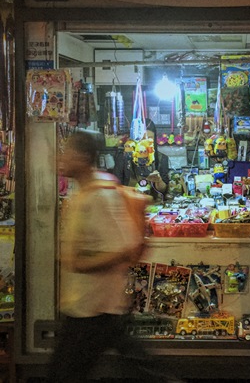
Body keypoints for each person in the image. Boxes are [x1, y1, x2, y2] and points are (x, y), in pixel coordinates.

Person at [48, 130, 148, 382]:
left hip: (94, 308)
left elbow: (124, 249)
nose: (61, 158)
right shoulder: (85, 192)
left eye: (67, 152)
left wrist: (81, 264)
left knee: (63, 374)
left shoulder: (100, 196)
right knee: (139, 365)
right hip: (89, 306)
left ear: (83, 157)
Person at [113, 118, 170, 201]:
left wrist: (159, 180)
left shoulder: (161, 158)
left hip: (153, 205)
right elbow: (116, 186)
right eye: (142, 139)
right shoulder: (123, 157)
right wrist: (135, 193)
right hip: (130, 203)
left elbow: (163, 191)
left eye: (149, 139)